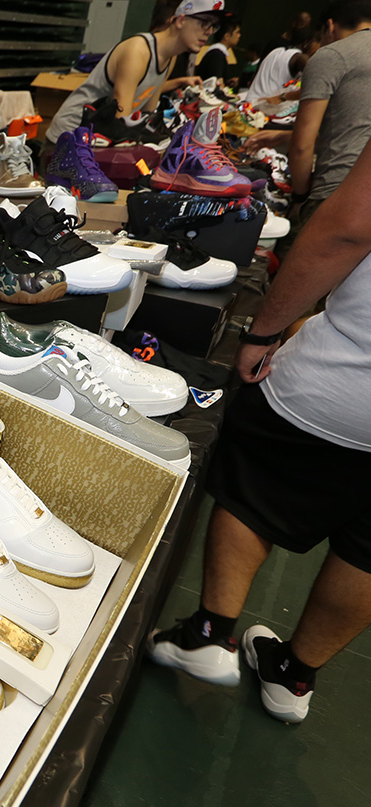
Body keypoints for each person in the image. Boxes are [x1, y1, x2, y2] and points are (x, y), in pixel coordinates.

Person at [147, 138, 371, 725]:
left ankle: (209, 632)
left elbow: (348, 230)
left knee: (257, 482)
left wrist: (264, 330)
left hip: (350, 377)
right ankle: (294, 676)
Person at [245, 1, 371, 252]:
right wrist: (284, 137)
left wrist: (300, 197)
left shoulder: (333, 55)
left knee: (291, 266)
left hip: (337, 194)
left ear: (329, 26)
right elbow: (355, 131)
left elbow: (303, 146)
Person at [43, 0, 213, 155]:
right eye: (204, 23)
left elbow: (146, 114)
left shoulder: (170, 57)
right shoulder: (138, 51)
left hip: (99, 140)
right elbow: (120, 120)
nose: (209, 31)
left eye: (214, 26)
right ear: (181, 20)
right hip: (70, 137)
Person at [243, 25, 320, 104]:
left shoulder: (276, 51)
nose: (319, 47)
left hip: (250, 102)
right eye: (317, 42)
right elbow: (318, 81)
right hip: (265, 105)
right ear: (306, 43)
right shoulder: (300, 57)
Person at [195, 14, 241, 83]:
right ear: (226, 36)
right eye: (237, 32)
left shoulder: (218, 53)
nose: (239, 35)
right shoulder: (216, 54)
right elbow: (215, 82)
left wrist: (228, 82)